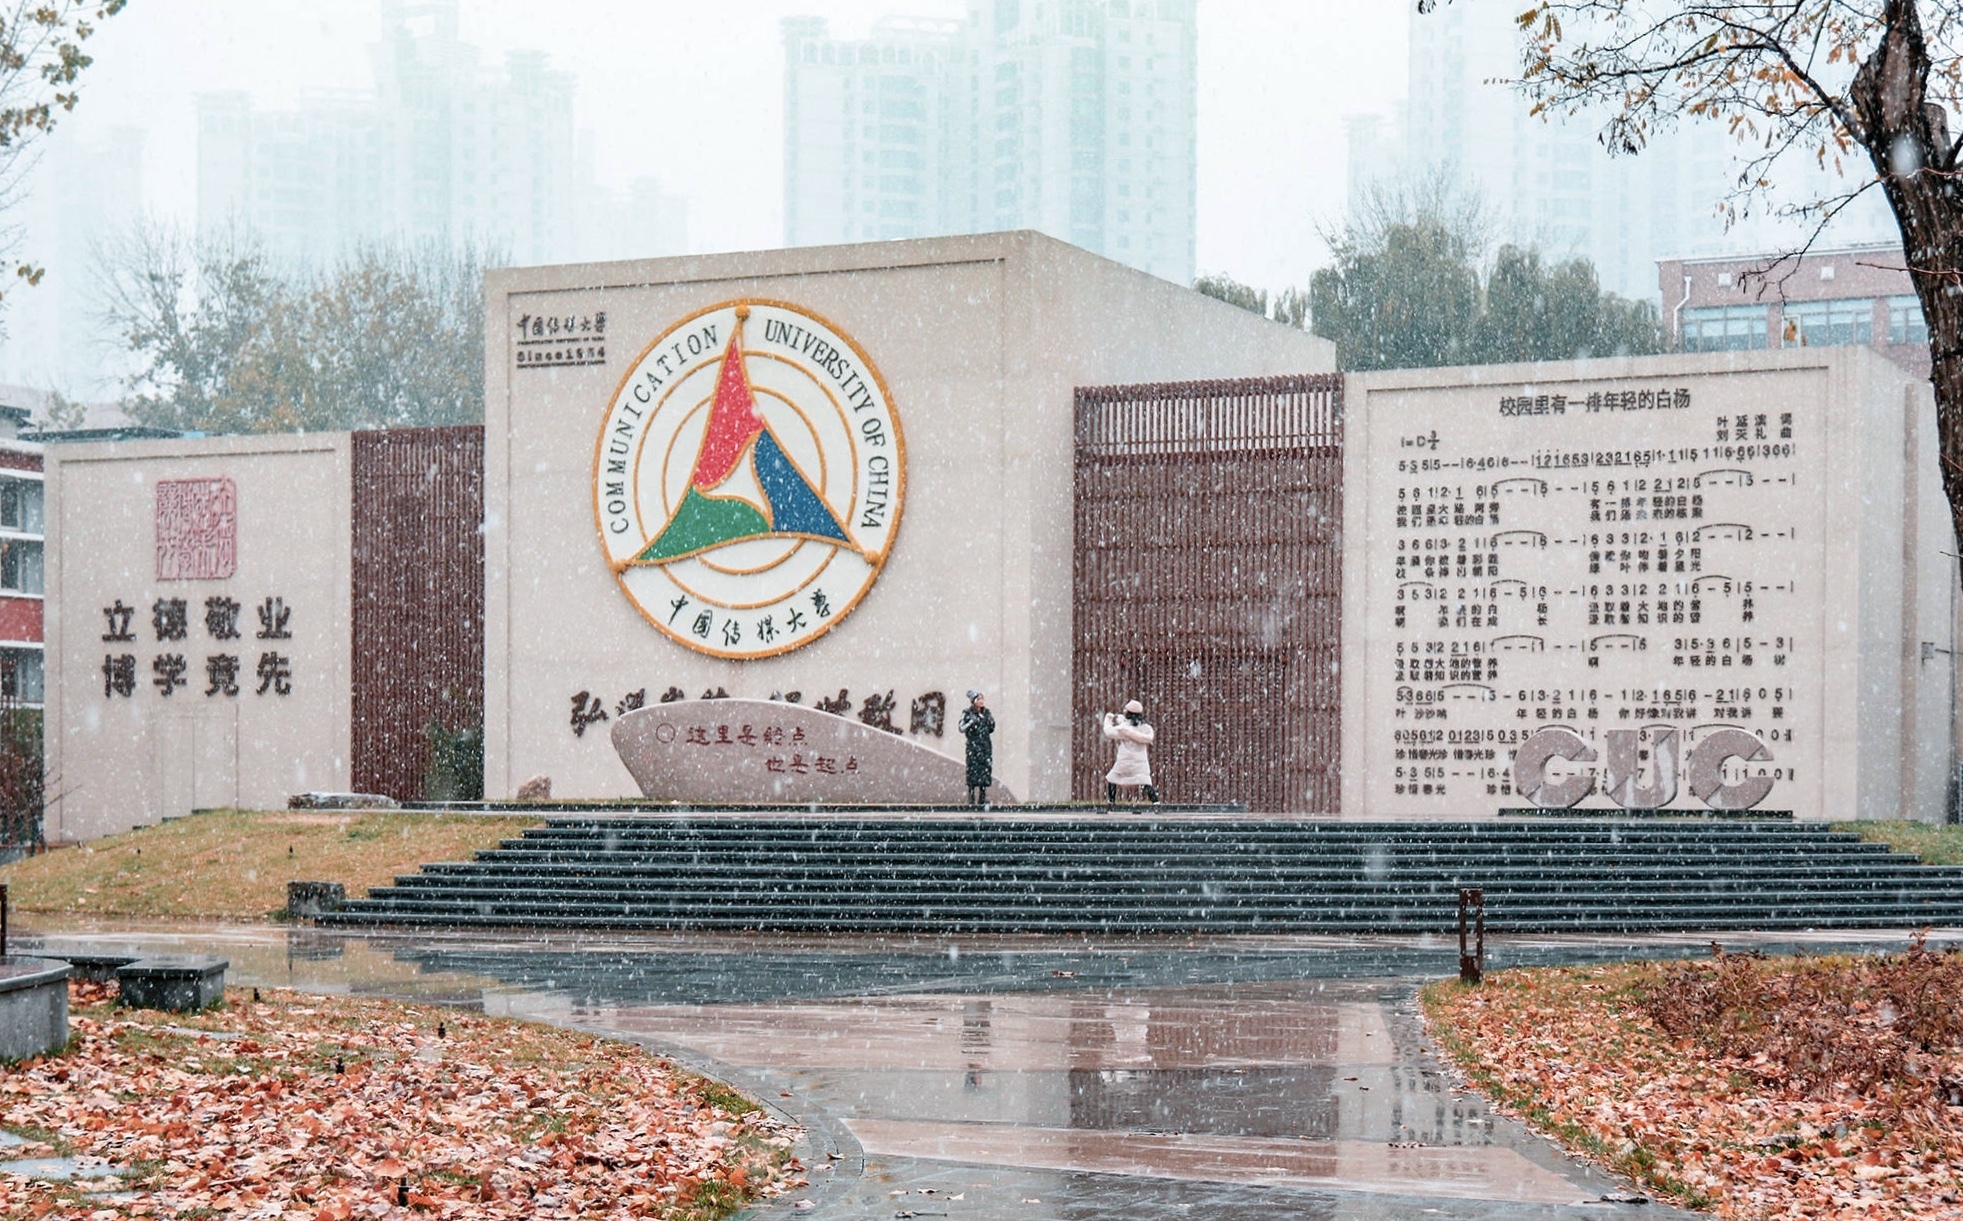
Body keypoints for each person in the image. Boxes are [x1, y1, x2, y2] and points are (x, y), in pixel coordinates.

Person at [1101, 699, 1159, 804]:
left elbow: (1109, 732)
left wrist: (1108, 719)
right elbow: (1147, 735)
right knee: (1145, 781)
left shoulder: (1123, 729)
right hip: (1140, 762)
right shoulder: (1145, 728)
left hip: (1125, 761)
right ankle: (1155, 802)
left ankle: (1111, 801)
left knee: (1112, 778)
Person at [958, 690, 995, 806]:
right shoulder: (967, 713)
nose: (981, 701)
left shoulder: (986, 713)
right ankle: (971, 795)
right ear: (973, 701)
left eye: (982, 699)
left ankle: (982, 795)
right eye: (978, 699)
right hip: (973, 747)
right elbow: (961, 728)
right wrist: (970, 722)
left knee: (985, 769)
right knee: (973, 770)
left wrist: (990, 722)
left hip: (985, 747)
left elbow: (991, 728)